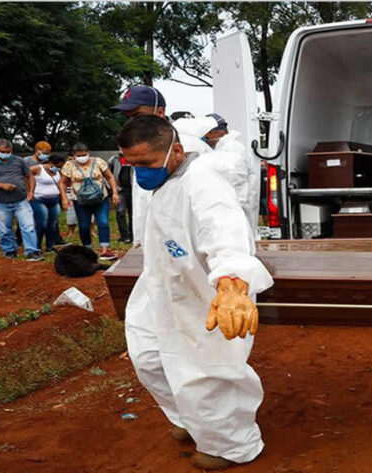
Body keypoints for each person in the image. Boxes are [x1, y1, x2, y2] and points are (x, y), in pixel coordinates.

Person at [116, 116, 272, 470]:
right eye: (132, 164)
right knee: (149, 358)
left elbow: (224, 229)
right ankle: (189, 418)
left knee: (207, 371)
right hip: (160, 286)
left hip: (204, 292)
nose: (140, 173)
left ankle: (231, 445)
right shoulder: (166, 179)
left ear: (176, 151)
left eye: (146, 163)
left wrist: (232, 281)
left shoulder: (203, 180)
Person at [111, 85, 167, 246]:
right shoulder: (139, 147)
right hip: (150, 242)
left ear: (159, 112)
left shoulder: (185, 147)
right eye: (128, 117)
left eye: (137, 116)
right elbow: (142, 199)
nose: (132, 123)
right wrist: (140, 237)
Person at [0, 138, 42, 261]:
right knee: (4, 230)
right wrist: (1, 186)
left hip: (21, 200)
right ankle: (10, 251)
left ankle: (32, 251)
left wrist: (31, 192)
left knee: (28, 226)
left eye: (9, 151)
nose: (6, 154)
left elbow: (29, 176)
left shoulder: (19, 161)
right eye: (3, 151)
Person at [204, 113, 261, 238]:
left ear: (218, 131)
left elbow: (237, 188)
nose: (205, 137)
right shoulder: (221, 149)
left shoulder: (232, 150)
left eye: (206, 133)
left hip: (235, 215)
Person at [59, 143, 119, 260]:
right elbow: (62, 182)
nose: (82, 157)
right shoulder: (69, 165)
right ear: (74, 155)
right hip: (80, 201)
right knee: (84, 226)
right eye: (79, 155)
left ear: (88, 153)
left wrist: (115, 192)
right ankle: (87, 250)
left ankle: (105, 249)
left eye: (84, 154)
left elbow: (110, 176)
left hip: (100, 198)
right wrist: (64, 198)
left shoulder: (98, 162)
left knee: (103, 222)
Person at [30, 153, 65, 252]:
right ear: (50, 163)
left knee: (52, 224)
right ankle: (37, 246)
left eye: (60, 167)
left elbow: (61, 183)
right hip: (39, 199)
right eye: (57, 166)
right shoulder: (38, 168)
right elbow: (26, 175)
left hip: (54, 200)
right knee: (41, 223)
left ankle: (50, 245)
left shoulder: (58, 171)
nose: (59, 168)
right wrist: (29, 190)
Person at [107, 152, 133, 243]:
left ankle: (132, 235)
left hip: (133, 190)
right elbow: (108, 174)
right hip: (120, 189)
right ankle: (124, 235)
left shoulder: (135, 157)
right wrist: (111, 188)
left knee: (133, 213)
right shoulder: (114, 160)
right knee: (120, 212)